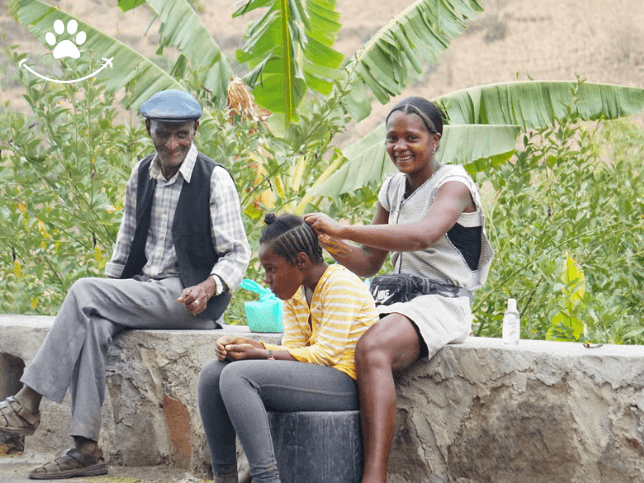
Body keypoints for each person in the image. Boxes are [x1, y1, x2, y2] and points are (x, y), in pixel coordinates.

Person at [0, 90, 251, 480]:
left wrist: (209, 286)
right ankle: (85, 447)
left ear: (196, 130)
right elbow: (124, 244)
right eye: (163, 133)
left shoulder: (214, 179)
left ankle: (27, 401)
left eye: (182, 134)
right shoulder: (141, 174)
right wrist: (107, 298)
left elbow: (237, 254)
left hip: (187, 300)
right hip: (144, 289)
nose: (173, 144)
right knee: (94, 321)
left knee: (85, 290)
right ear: (148, 128)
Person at [304, 96, 494, 483]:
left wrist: (341, 227)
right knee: (322, 340)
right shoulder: (392, 187)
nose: (400, 147)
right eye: (392, 138)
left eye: (412, 138)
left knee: (373, 348)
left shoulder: (453, 185)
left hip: (441, 301)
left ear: (436, 140)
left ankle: (374, 476)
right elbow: (370, 262)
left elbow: (422, 236)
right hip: (390, 298)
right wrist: (328, 242)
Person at [198, 213, 379, 483]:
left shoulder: (340, 284)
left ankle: (266, 478)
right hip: (317, 378)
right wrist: (252, 346)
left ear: (301, 261)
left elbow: (325, 355)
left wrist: (262, 352)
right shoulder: (295, 291)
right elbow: (293, 348)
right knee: (213, 373)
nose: (268, 278)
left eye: (272, 269)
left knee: (238, 377)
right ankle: (224, 477)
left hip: (347, 382)